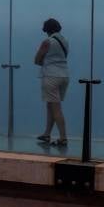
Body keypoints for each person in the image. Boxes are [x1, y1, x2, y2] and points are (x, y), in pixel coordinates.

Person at [34, 18, 70, 149]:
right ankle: (47, 133)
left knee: (56, 108)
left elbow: (37, 59)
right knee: (51, 106)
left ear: (46, 30)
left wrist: (46, 62)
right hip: (64, 76)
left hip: (51, 76)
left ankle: (63, 137)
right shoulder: (65, 41)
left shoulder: (47, 42)